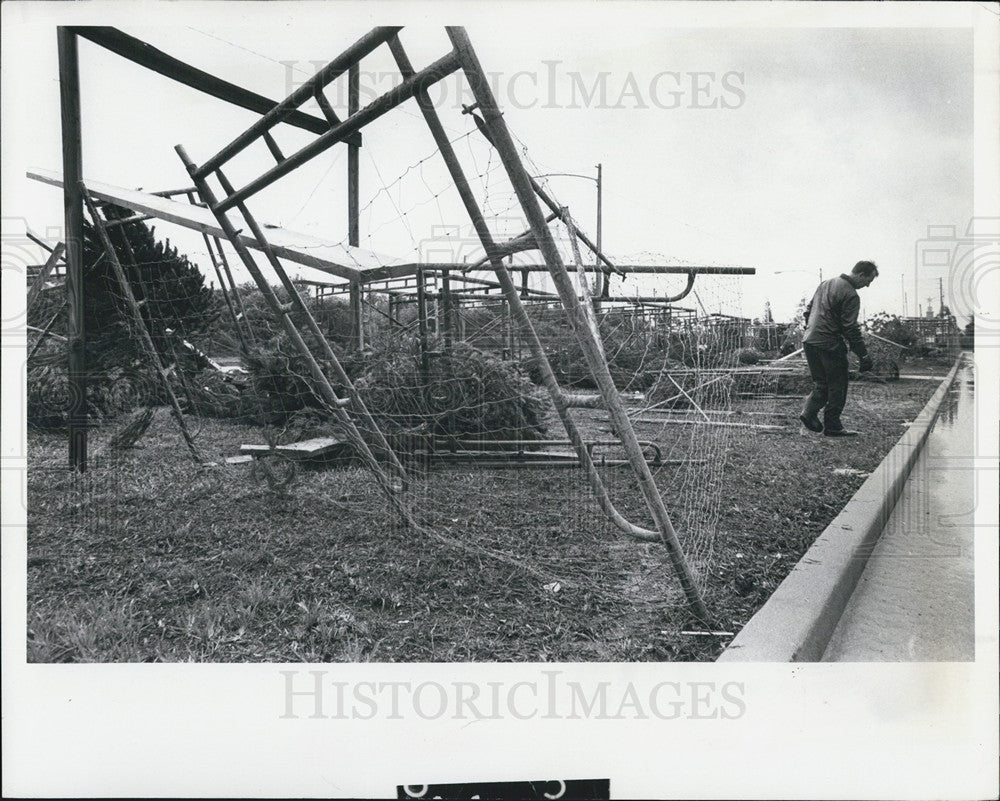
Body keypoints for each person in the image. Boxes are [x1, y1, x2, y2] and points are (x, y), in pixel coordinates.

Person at [799, 261, 878, 437]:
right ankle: (833, 426)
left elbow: (808, 311)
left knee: (821, 383)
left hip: (810, 341)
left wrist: (811, 330)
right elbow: (850, 328)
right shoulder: (851, 294)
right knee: (838, 385)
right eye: (868, 281)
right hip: (829, 344)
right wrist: (864, 355)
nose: (867, 285)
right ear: (861, 275)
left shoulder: (825, 284)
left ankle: (808, 412)